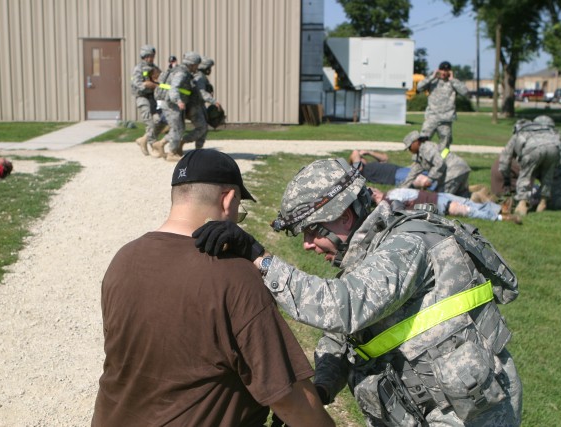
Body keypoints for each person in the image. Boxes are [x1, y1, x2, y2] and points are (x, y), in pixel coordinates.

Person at [193, 158, 522, 426]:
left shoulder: (407, 245)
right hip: (425, 408)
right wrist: (320, 389)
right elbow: (340, 336)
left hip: (467, 415)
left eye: (311, 231)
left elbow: (343, 307)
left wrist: (259, 258)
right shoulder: (375, 254)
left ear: (345, 217)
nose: (308, 244)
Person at [92, 149, 334, 427]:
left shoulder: (124, 259)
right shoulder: (235, 275)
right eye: (239, 211)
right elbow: (288, 398)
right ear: (229, 198)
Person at [498, 119, 561, 215]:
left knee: (525, 175)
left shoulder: (519, 134)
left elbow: (505, 159)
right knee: (548, 176)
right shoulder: (544, 130)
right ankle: (543, 202)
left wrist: (506, 178)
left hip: (533, 149)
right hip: (554, 147)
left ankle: (522, 204)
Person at [370, 186, 522, 224]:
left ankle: (500, 209)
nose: (375, 190)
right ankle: (501, 218)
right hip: (435, 203)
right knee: (469, 210)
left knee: (469, 203)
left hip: (437, 195)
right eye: (373, 192)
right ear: (375, 196)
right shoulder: (389, 203)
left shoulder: (390, 194)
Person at [161, 51, 208, 162]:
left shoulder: (184, 72)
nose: (197, 67)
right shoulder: (181, 73)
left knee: (179, 128)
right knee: (177, 128)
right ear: (191, 64)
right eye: (196, 65)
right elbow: (174, 87)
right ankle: (171, 154)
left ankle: (165, 147)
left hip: (173, 104)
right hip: (172, 105)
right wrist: (178, 101)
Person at [400, 130, 472, 197]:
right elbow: (412, 174)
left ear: (416, 142)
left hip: (454, 171)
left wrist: (429, 179)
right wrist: (400, 190)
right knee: (461, 197)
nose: (409, 150)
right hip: (459, 170)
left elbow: (440, 163)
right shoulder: (420, 156)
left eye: (410, 147)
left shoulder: (427, 148)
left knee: (441, 198)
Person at [417, 60, 469, 150]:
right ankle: (420, 161)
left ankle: (443, 161)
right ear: (438, 70)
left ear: (450, 71)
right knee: (422, 141)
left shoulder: (453, 83)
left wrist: (453, 80)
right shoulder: (433, 81)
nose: (444, 73)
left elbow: (465, 92)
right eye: (442, 70)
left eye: (447, 70)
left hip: (445, 120)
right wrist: (432, 77)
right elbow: (419, 87)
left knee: (445, 145)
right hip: (432, 117)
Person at [348, 149, 434, 189]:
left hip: (401, 169)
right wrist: (358, 153)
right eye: (361, 157)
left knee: (433, 173)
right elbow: (355, 153)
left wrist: (369, 152)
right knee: (422, 180)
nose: (362, 158)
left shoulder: (371, 165)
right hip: (395, 176)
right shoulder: (358, 170)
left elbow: (385, 158)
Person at [130, 44, 160, 156]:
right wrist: (146, 85)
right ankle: (153, 146)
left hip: (153, 98)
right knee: (149, 122)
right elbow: (136, 83)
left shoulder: (155, 68)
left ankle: (143, 140)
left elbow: (161, 81)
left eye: (152, 56)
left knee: (158, 121)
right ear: (143, 56)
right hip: (142, 97)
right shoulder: (138, 69)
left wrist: (157, 84)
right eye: (148, 56)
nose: (150, 58)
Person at [193, 56, 224, 143]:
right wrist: (214, 102)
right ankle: (183, 143)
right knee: (202, 128)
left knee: (203, 128)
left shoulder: (200, 76)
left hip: (198, 104)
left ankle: (197, 148)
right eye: (209, 67)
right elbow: (202, 93)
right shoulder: (200, 77)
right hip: (196, 105)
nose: (209, 69)